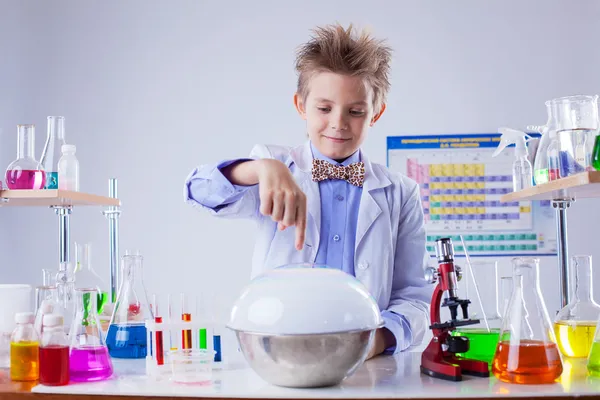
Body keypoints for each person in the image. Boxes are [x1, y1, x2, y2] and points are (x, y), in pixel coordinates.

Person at [184, 23, 432, 358]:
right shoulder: (276, 168)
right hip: (280, 357)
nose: (338, 123)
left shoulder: (400, 193)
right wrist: (259, 169)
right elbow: (199, 189)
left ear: (376, 112)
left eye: (355, 111)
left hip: (366, 365)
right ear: (301, 105)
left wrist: (374, 342)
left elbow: (414, 296)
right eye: (324, 108)